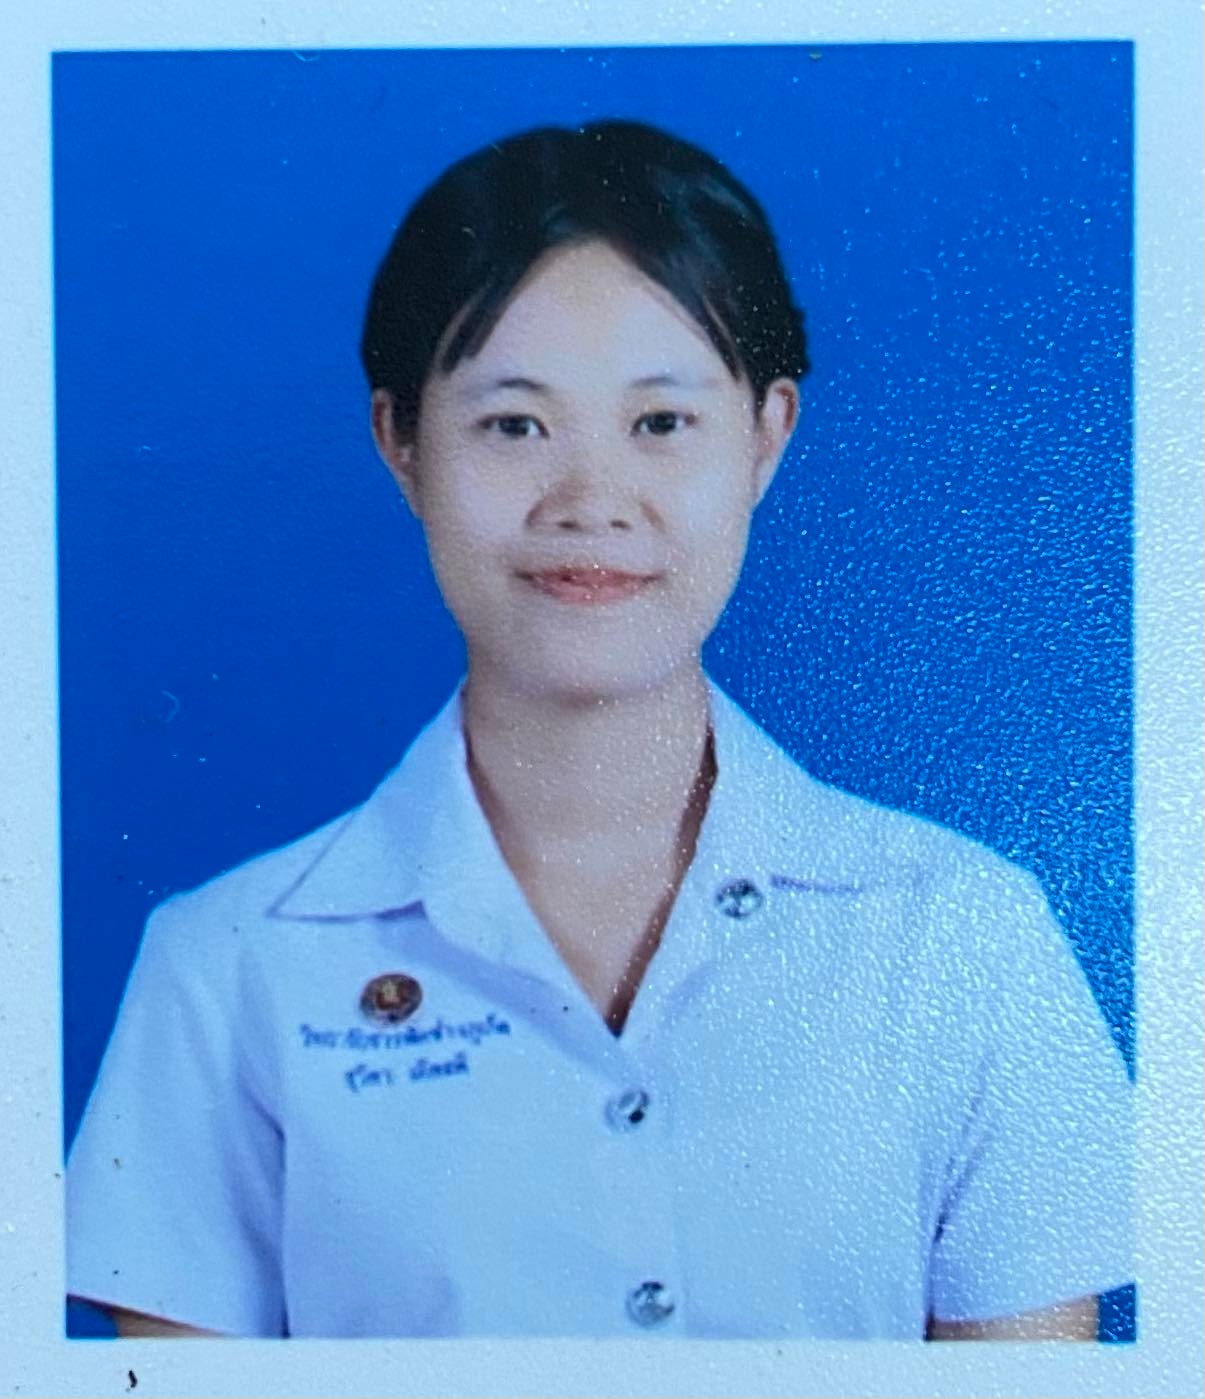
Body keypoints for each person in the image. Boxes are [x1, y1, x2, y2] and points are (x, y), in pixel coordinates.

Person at [66, 118, 1132, 1340]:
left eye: (660, 424)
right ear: (399, 441)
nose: (589, 502)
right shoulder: (226, 970)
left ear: (766, 434)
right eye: (513, 425)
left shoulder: (961, 938)